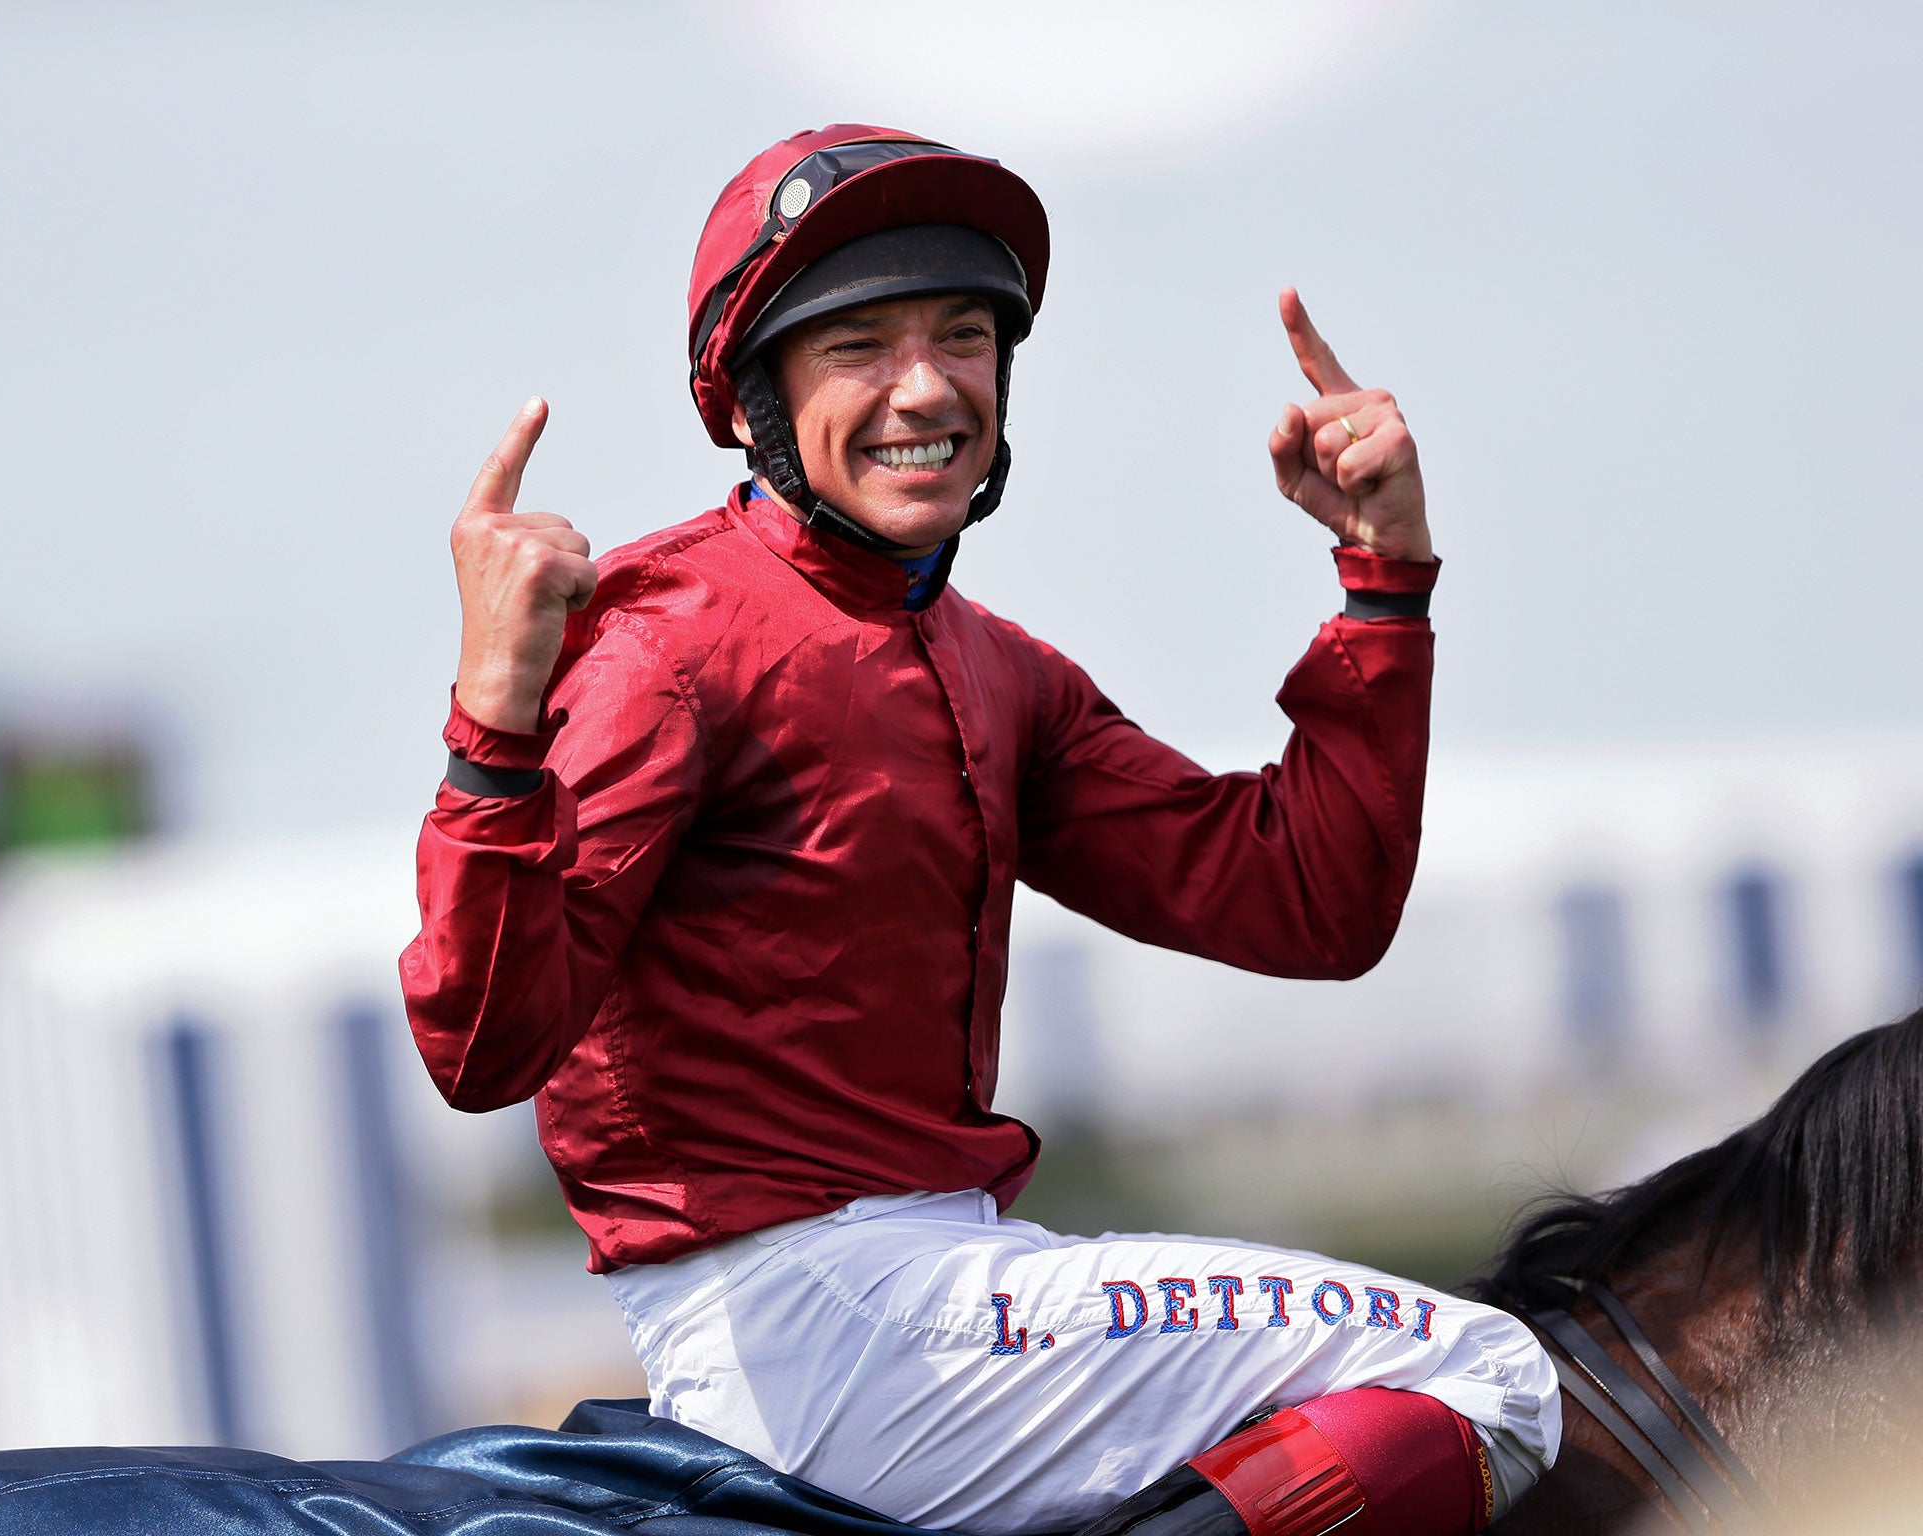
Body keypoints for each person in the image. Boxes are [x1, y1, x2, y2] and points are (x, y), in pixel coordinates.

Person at [401, 125, 1557, 1536]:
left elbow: (1306, 904)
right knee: (1489, 1374)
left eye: (964, 334)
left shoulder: (994, 664)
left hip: (939, 1292)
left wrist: (1381, 578)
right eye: (859, 346)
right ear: (752, 397)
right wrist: (494, 712)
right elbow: (482, 1047)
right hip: (805, 1321)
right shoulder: (664, 641)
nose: (928, 386)